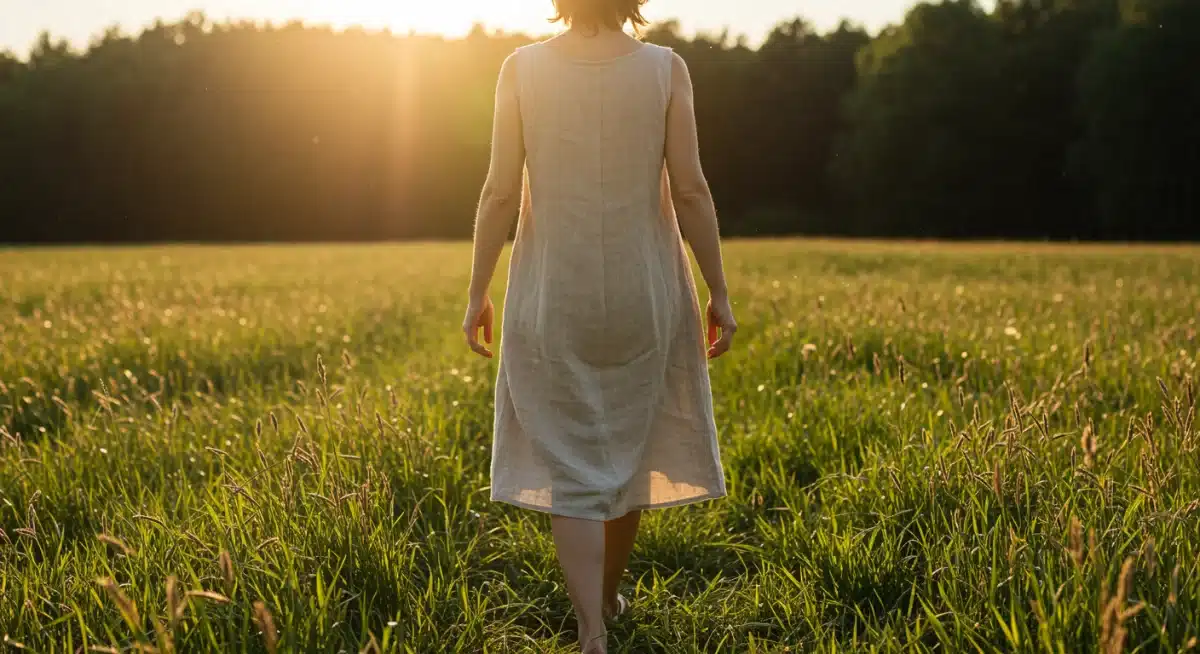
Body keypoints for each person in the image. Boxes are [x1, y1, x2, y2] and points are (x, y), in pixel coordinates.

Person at [462, 1, 736, 651]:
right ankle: (610, 595)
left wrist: (477, 291)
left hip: (555, 294)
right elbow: (692, 189)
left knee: (572, 459)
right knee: (629, 446)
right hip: (645, 293)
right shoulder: (666, 70)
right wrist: (718, 291)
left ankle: (590, 628)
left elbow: (499, 192)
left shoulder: (521, 68)